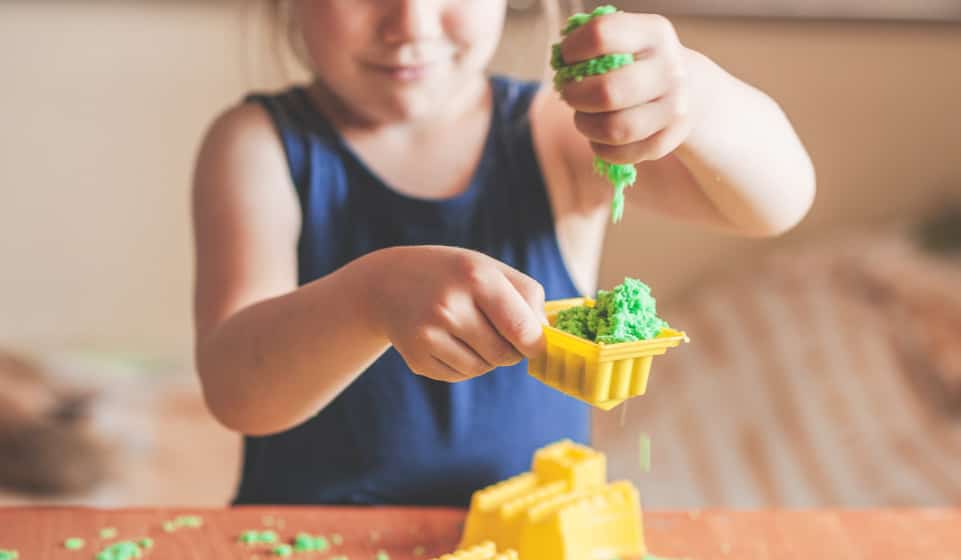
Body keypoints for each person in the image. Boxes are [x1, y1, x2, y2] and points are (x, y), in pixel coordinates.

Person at [192, 1, 816, 505]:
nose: (411, 22)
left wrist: (700, 96)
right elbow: (236, 393)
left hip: (535, 555)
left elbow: (775, 204)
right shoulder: (257, 145)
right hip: (305, 554)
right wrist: (370, 298)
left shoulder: (555, 131)